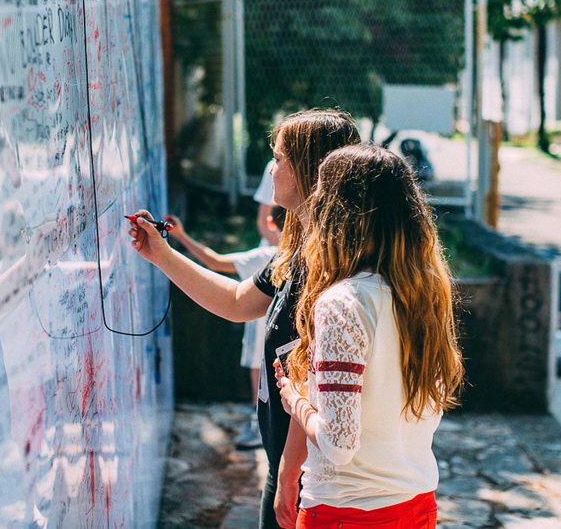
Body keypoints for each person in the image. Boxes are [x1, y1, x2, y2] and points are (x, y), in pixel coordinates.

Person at [128, 109, 361, 529]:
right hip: (287, 466)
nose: (271, 169)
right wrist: (161, 255)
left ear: (309, 171)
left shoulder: (335, 269)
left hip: (312, 478)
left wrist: (291, 472)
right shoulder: (299, 253)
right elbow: (237, 302)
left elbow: (315, 383)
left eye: (280, 159)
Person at [274, 145, 465, 529]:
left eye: (322, 192)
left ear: (337, 211)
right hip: (416, 504)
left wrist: (296, 401)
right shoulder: (425, 292)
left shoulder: (342, 303)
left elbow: (338, 445)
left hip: (345, 512)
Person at [166, 207, 287, 449]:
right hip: (281, 335)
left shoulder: (268, 256)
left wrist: (179, 236)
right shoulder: (301, 257)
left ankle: (259, 424)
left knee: (260, 374)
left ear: (270, 223)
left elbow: (215, 262)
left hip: (262, 331)